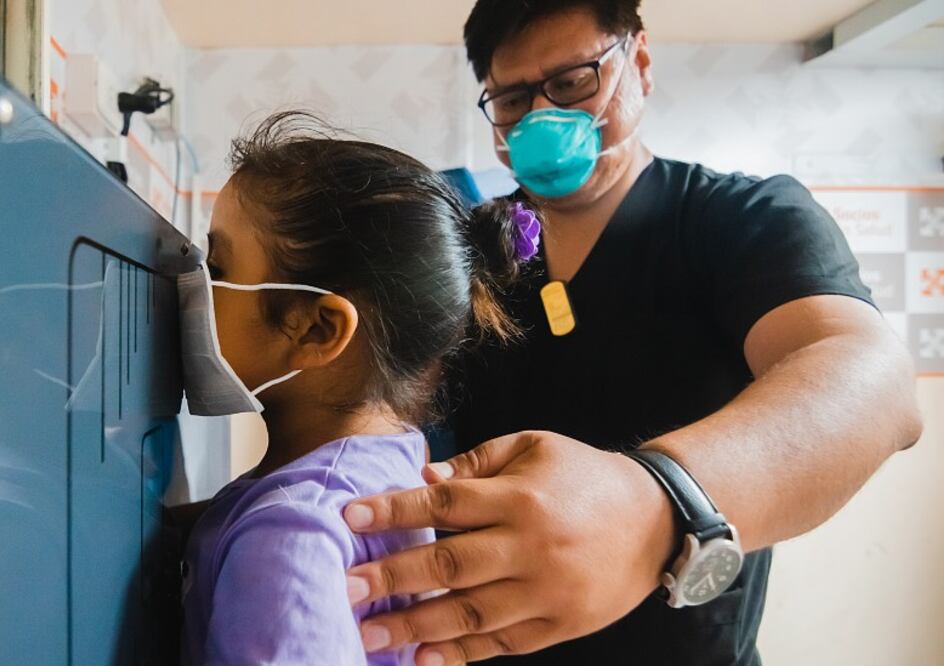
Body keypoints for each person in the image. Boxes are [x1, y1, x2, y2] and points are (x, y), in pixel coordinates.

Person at [340, 1, 924, 664]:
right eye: (513, 100)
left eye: (572, 82)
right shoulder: (468, 247)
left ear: (638, 62)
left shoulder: (740, 220)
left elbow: (872, 382)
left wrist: (655, 505)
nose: (541, 118)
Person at [179, 112, 537, 664]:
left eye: (218, 268)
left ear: (317, 329)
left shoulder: (291, 536)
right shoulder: (390, 461)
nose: (196, 287)